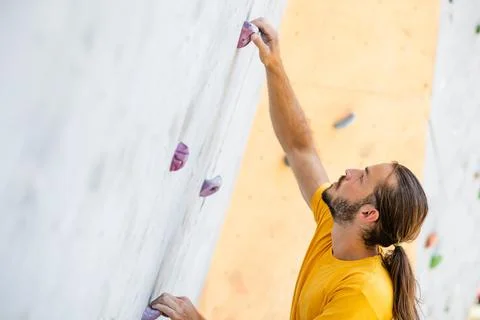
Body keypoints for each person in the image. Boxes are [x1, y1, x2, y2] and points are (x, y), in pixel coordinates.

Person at [151, 17, 428, 320]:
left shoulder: (361, 297)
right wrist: (274, 65)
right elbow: (301, 149)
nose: (349, 171)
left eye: (362, 177)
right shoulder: (338, 226)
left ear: (368, 214)